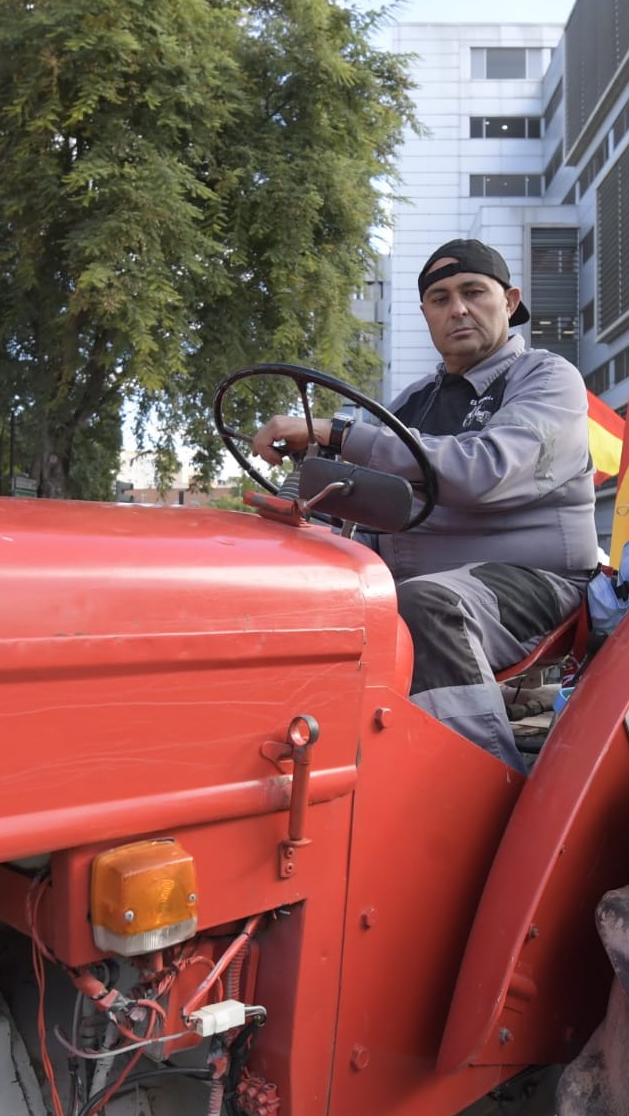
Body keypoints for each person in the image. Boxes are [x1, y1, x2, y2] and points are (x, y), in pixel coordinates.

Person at [252, 239, 597, 772]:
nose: (457, 309)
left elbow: (486, 471)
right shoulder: (412, 402)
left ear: (509, 302)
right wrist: (297, 516)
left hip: (536, 581)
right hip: (412, 583)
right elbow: (361, 500)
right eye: (440, 299)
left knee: (428, 605)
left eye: (473, 292)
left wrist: (338, 433)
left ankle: (476, 784)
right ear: (426, 314)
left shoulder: (545, 378)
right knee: (292, 598)